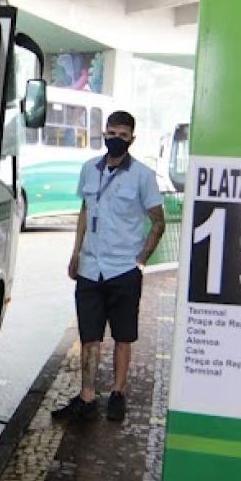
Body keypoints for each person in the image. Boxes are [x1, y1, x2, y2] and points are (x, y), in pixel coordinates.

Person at [54, 110, 166, 423]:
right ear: (104, 133)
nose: (116, 139)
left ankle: (118, 392)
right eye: (111, 133)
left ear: (132, 138)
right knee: (89, 336)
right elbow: (85, 209)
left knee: (123, 336)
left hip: (123, 269)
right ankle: (87, 396)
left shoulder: (143, 176)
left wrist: (141, 259)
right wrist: (76, 252)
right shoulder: (89, 169)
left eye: (123, 135)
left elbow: (158, 222)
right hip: (90, 267)